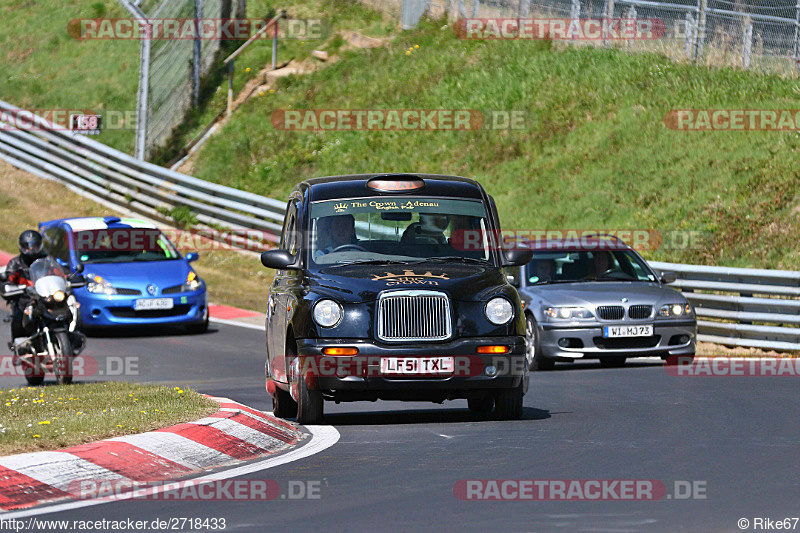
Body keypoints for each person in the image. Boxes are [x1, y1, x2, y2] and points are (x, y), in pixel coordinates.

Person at [3, 230, 46, 340]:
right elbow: (9, 279)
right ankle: (19, 345)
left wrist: (69, 277)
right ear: (21, 246)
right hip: (24, 301)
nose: (31, 250)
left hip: (45, 299)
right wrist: (11, 287)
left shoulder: (46, 260)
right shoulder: (15, 263)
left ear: (40, 245)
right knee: (18, 317)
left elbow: (60, 272)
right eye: (27, 246)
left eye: (35, 246)